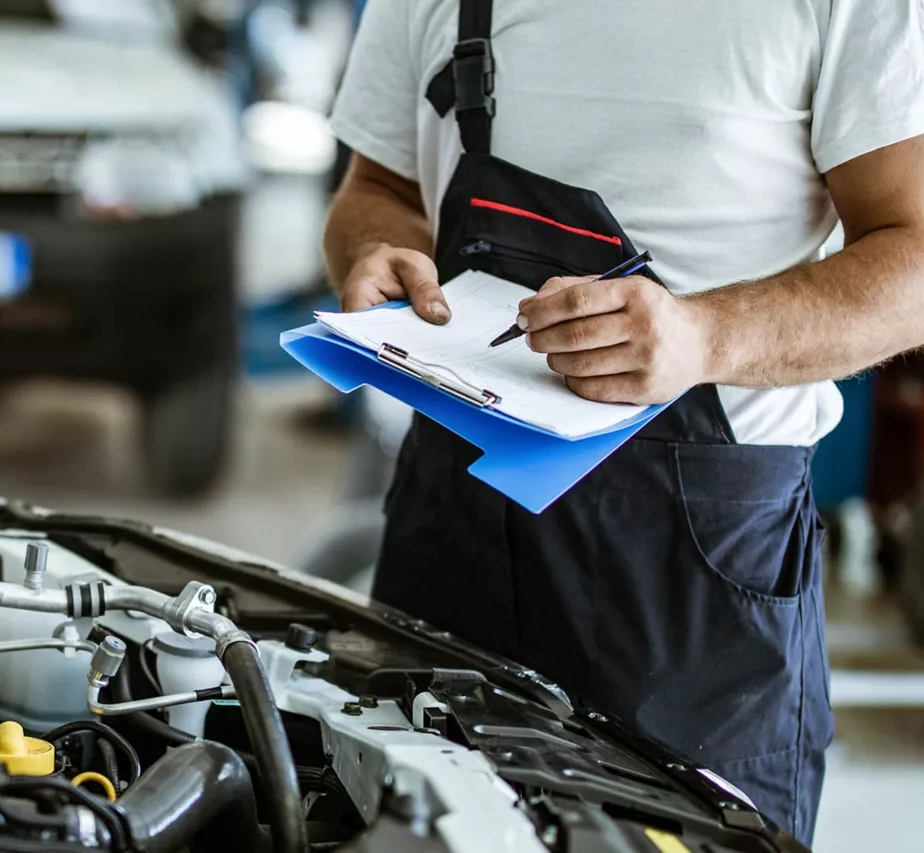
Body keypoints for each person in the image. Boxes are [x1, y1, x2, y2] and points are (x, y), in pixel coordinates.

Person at [322, 0, 924, 844]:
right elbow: (375, 188)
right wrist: (374, 248)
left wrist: (706, 334)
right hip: (451, 515)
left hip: (696, 567)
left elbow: (915, 258)